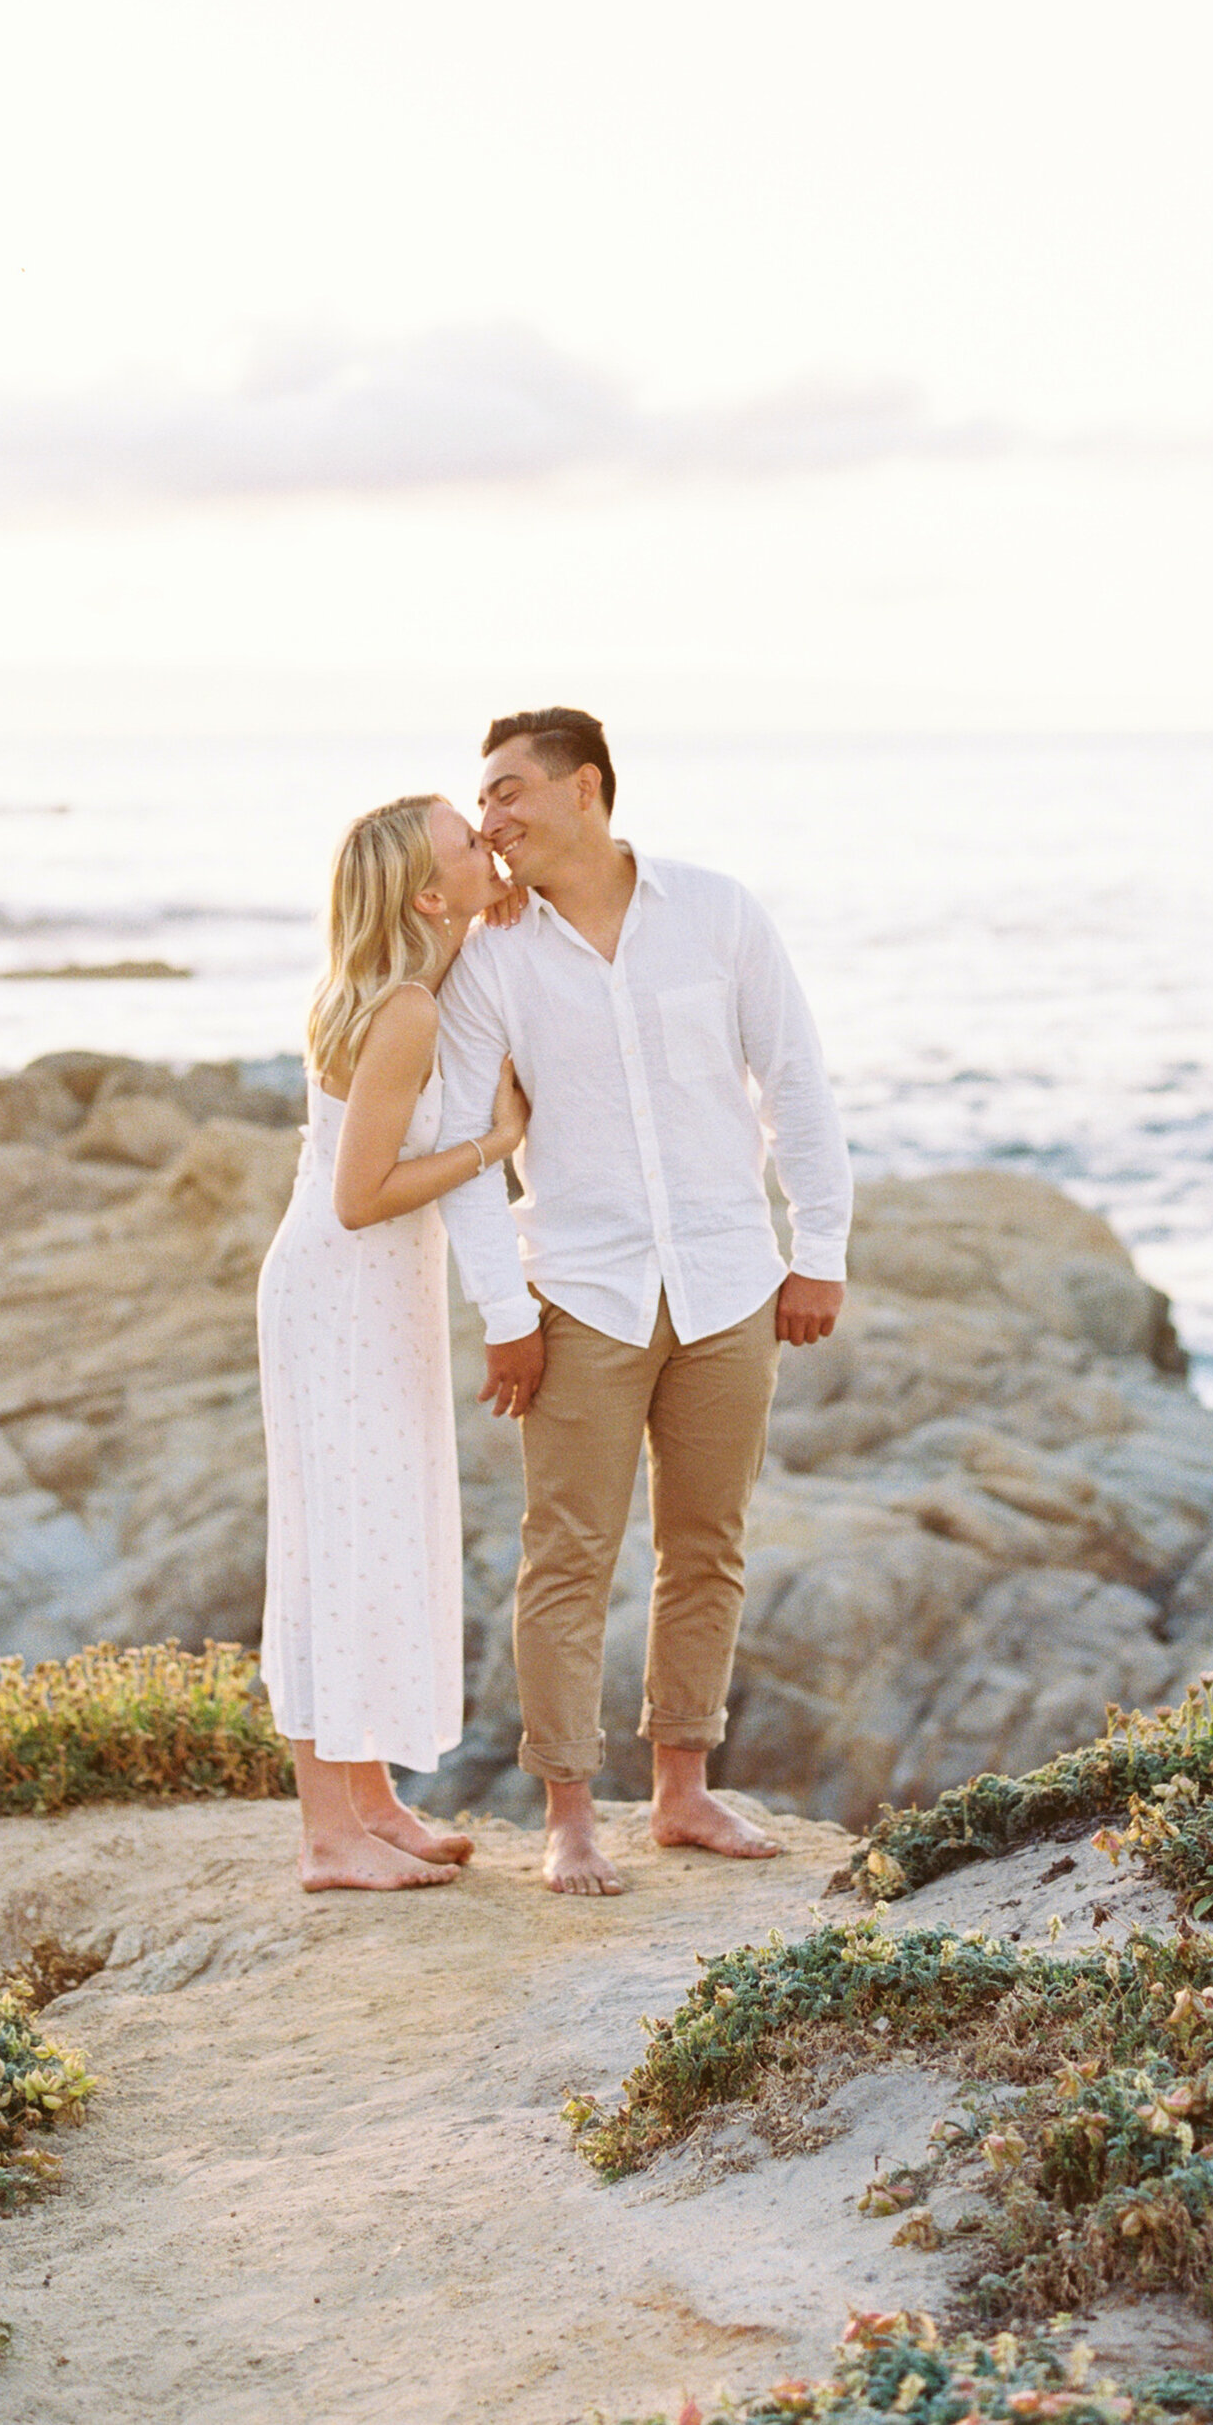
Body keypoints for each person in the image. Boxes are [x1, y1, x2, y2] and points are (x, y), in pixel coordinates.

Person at [437, 707, 851, 1895]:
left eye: (510, 791)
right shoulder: (491, 958)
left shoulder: (717, 912)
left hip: (729, 1277)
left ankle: (680, 1790)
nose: (491, 818)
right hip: (580, 1291)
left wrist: (816, 1244)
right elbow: (469, 1148)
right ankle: (569, 1813)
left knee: (705, 1543)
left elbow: (795, 1081)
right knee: (565, 1557)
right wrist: (504, 1313)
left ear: (587, 789)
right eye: (485, 798)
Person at [257, 793, 529, 1891]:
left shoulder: (394, 985)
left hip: (357, 1291)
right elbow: (363, 1193)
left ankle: (371, 1802)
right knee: (339, 1544)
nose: (488, 842)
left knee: (366, 1530)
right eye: (468, 842)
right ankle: (329, 1835)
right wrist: (494, 1145)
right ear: (426, 890)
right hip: (345, 1291)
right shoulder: (406, 1007)